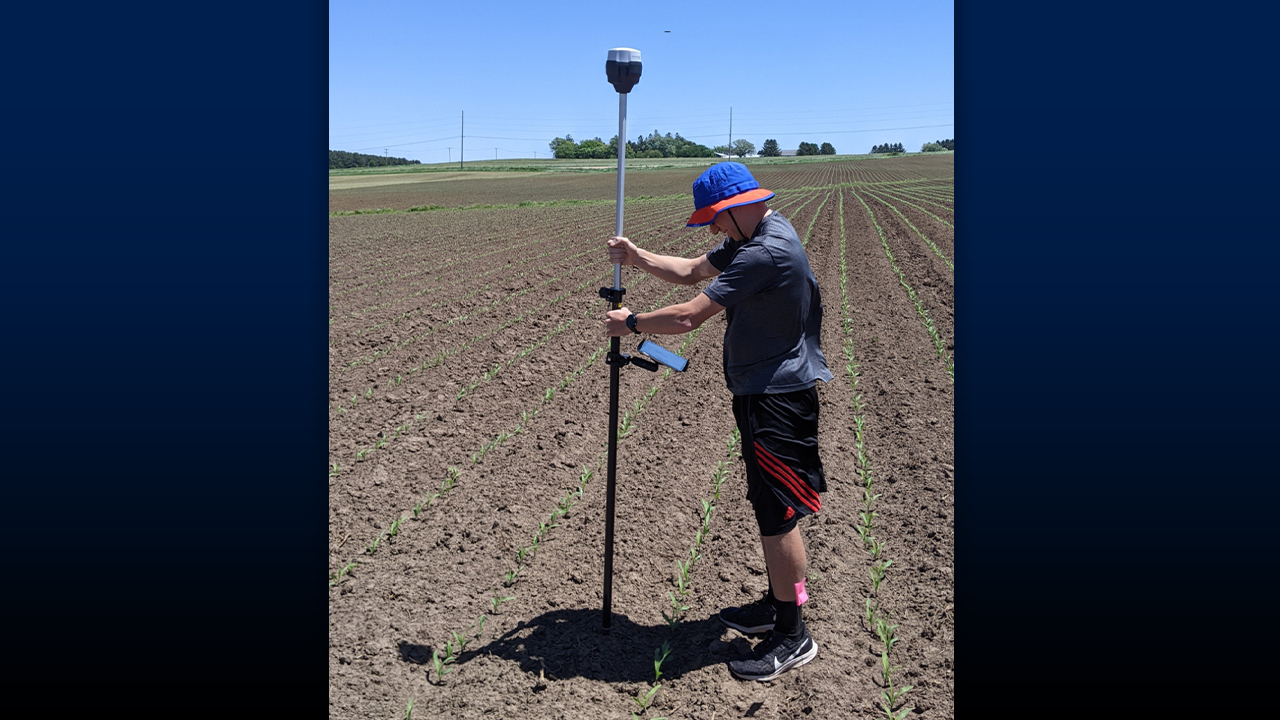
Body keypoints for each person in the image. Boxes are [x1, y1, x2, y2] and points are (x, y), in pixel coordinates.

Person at [604, 162, 833, 682]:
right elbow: (689, 270)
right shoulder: (756, 234)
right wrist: (637, 257)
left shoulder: (765, 251)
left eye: (714, 218)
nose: (712, 229)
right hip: (762, 392)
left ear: (736, 207)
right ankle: (779, 604)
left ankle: (794, 634)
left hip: (777, 400)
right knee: (767, 504)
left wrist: (633, 323)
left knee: (779, 512)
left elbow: (687, 316)